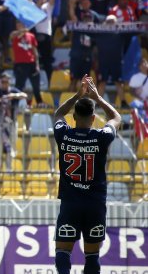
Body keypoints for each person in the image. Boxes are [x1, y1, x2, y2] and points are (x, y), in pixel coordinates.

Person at [52, 76, 122, 274]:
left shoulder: (63, 135)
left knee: (63, 251)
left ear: (73, 117)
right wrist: (98, 98)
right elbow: (116, 118)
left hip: (70, 203)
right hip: (94, 205)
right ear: (93, 118)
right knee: (92, 255)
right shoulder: (102, 137)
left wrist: (77, 95)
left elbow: (58, 113)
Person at [0, 74, 28, 172]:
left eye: (6, 82)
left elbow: (25, 95)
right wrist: (0, 99)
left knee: (11, 146)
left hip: (12, 123)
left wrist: (13, 96)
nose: (4, 84)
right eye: (2, 82)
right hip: (0, 123)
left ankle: (8, 167)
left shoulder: (13, 91)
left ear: (9, 82)